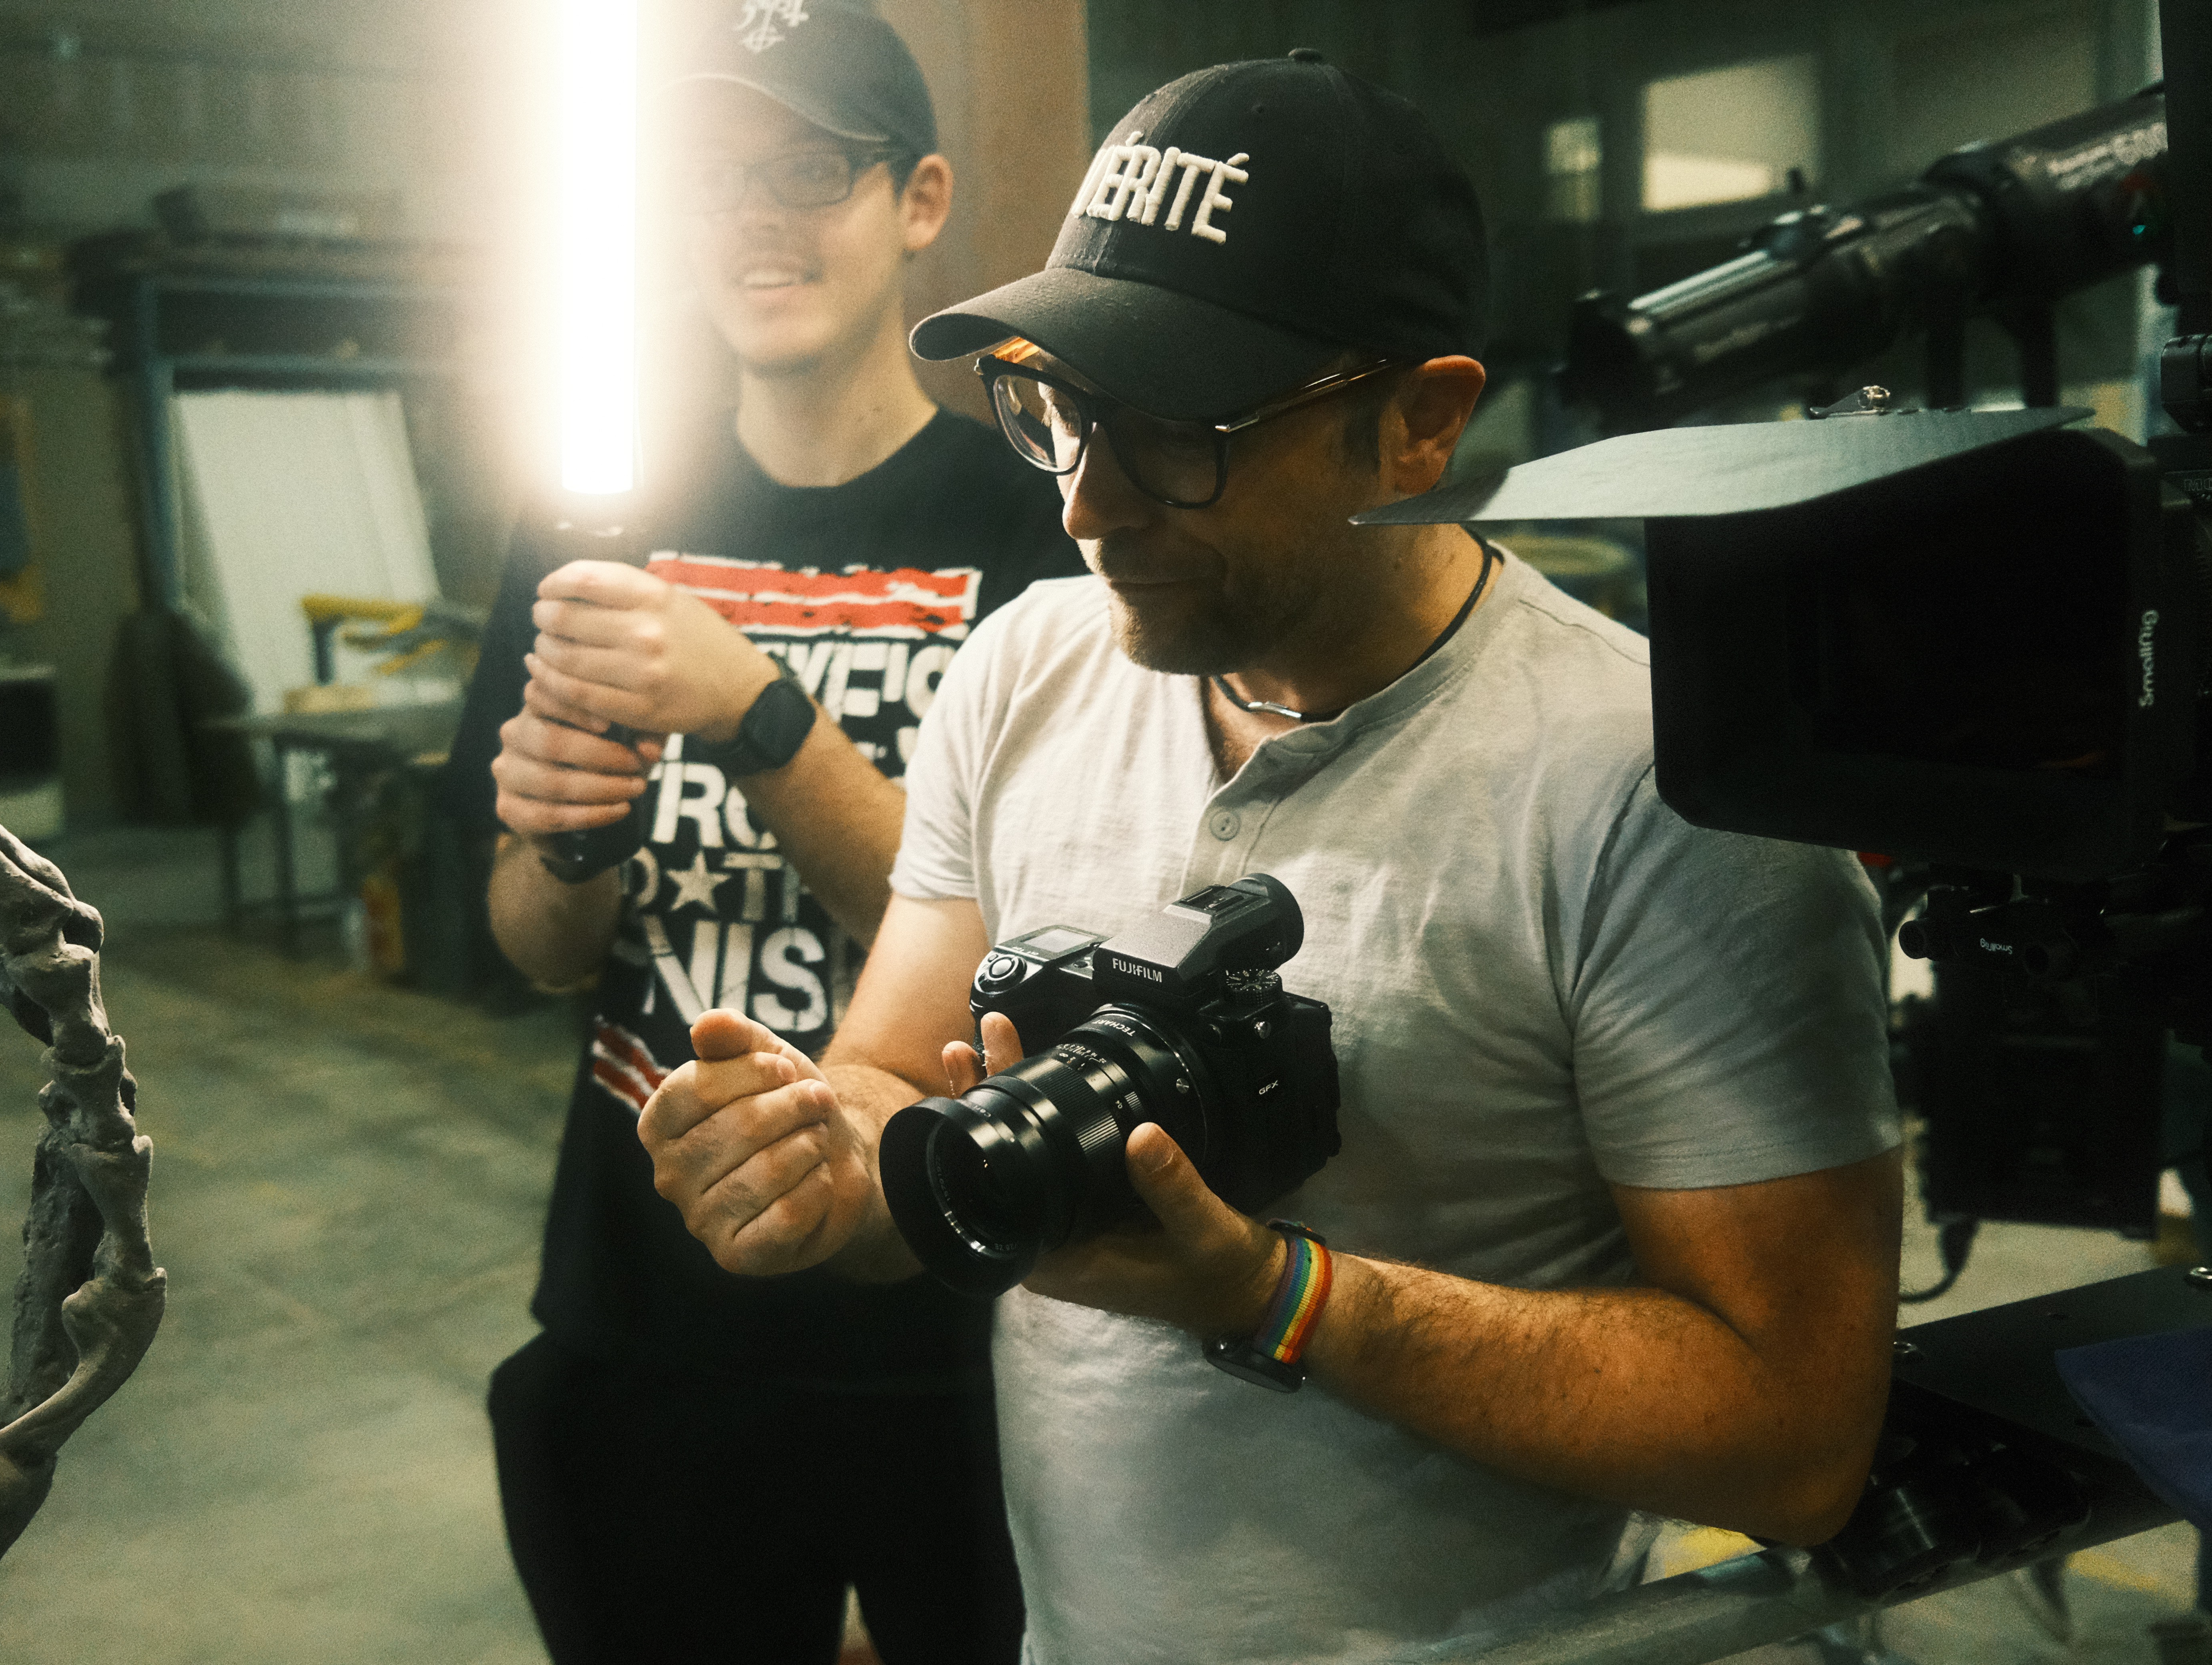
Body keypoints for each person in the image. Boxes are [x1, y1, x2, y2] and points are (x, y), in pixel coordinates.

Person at [635, 50, 1906, 1663]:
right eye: (1060, 408)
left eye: (1180, 432)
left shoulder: (1654, 791)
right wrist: (824, 1158)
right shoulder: (1025, 670)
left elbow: (1793, 1435)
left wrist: (1280, 1297)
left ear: (1420, 422)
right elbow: (893, 1081)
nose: (1089, 504)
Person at [437, 5, 1081, 1661]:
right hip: (652, 1313)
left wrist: (758, 713)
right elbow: (535, 949)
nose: (752, 219)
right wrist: (563, 843)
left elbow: (1030, 952)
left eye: (806, 169)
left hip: (963, 1306)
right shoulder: (594, 519)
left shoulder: (1038, 529)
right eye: (709, 176)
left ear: (919, 201)